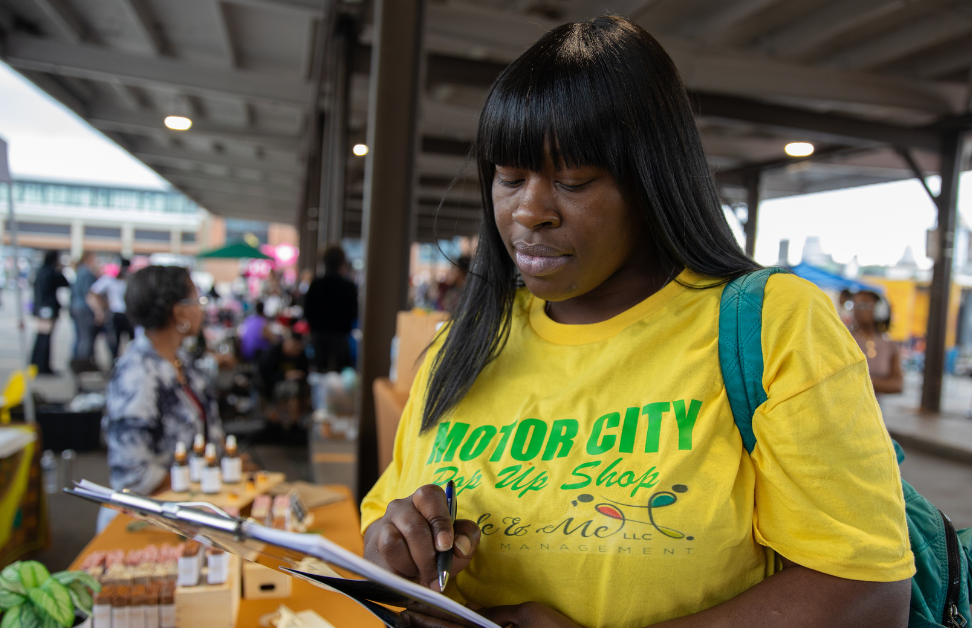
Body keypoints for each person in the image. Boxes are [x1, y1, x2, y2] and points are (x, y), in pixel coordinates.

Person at [360, 17, 913, 628]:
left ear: (653, 182)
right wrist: (393, 550)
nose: (528, 210)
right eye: (509, 177)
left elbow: (867, 594)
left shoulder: (772, 326)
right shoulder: (465, 343)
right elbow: (382, 522)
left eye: (572, 181)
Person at [103, 266, 222, 505]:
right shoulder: (138, 373)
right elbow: (131, 475)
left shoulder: (180, 361)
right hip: (157, 515)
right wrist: (202, 480)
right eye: (198, 300)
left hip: (196, 504)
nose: (202, 309)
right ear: (179, 312)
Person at [303, 246, 358, 372]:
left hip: (319, 335)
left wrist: (315, 327)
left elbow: (307, 311)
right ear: (342, 262)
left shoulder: (316, 284)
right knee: (342, 373)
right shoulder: (348, 287)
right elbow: (354, 313)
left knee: (320, 372)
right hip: (341, 336)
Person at [849, 290, 904, 395]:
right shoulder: (846, 339)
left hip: (878, 405)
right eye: (855, 305)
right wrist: (882, 384)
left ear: (880, 310)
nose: (857, 310)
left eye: (863, 305)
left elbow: (898, 385)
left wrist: (859, 381)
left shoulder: (889, 346)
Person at [258, 329, 311, 426]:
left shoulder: (300, 355)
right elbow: (265, 376)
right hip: (273, 386)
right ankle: (293, 424)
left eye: (299, 346)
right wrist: (286, 375)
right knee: (293, 389)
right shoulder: (273, 352)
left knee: (306, 390)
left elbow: (305, 372)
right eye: (295, 345)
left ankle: (300, 422)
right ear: (287, 342)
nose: (297, 349)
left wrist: (300, 375)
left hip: (298, 384)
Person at [30, 250, 70, 375]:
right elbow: (65, 282)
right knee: (45, 338)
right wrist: (60, 269)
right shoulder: (51, 271)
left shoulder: (40, 271)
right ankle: (42, 367)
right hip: (48, 307)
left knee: (41, 337)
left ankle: (37, 364)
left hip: (41, 306)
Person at [89, 258, 134, 361]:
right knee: (114, 342)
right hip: (116, 313)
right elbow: (93, 293)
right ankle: (114, 362)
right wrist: (102, 307)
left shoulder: (130, 280)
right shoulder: (109, 279)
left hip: (128, 314)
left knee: (132, 341)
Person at [70, 252, 101, 362]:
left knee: (80, 337)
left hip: (76, 307)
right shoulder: (87, 273)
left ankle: (76, 360)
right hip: (84, 309)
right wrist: (98, 312)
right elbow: (89, 295)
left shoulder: (79, 271)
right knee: (86, 337)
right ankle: (84, 363)